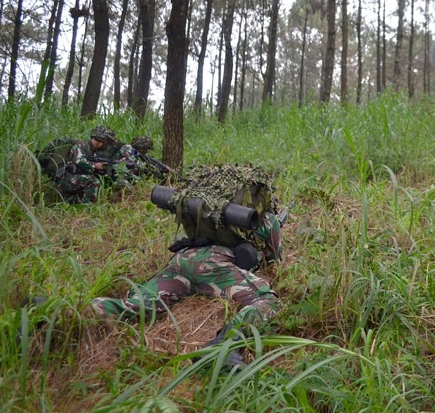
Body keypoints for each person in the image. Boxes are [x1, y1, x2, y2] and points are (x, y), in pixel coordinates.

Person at [90, 210, 283, 368]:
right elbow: (274, 261)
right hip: (213, 265)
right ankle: (223, 346)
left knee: (140, 305)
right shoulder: (264, 217)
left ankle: (89, 311)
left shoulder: (209, 210)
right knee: (268, 301)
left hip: (183, 259)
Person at [57, 125, 116, 203]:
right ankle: (87, 206)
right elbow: (78, 161)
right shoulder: (81, 145)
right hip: (67, 178)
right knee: (93, 181)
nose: (106, 145)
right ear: (101, 140)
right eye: (106, 143)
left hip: (77, 178)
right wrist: (95, 166)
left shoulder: (94, 152)